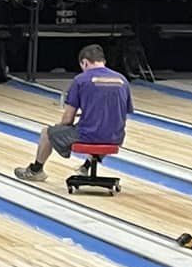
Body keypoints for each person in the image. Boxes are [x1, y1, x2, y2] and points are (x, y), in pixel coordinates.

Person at [13, 44, 131, 182]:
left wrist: (59, 128)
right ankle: (85, 167)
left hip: (89, 135)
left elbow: (68, 119)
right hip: (116, 137)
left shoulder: (81, 79)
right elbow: (122, 113)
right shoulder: (122, 80)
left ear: (85, 62)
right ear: (103, 61)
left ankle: (36, 170)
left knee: (47, 133)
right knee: (104, 129)